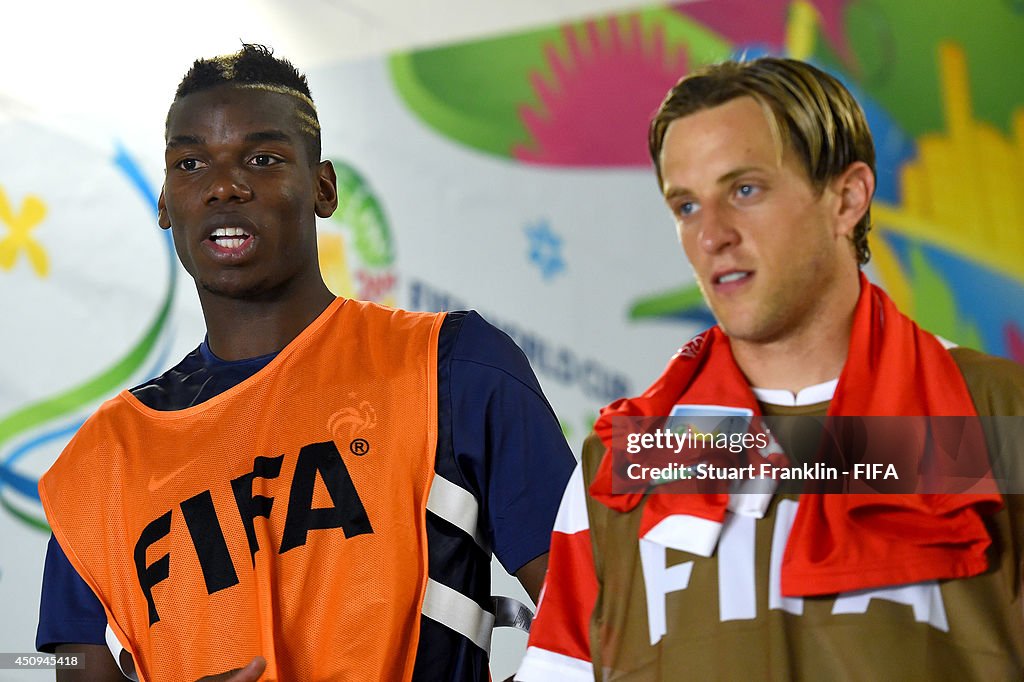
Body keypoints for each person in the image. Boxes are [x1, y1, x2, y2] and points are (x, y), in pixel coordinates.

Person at [35, 44, 575, 681]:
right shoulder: (105, 458)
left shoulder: (453, 367)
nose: (224, 186)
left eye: (262, 159)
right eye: (190, 163)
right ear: (163, 203)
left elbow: (599, 623)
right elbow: (64, 667)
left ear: (323, 187)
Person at [515, 57, 1024, 681]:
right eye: (686, 206)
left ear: (847, 197)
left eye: (745, 190)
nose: (712, 236)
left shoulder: (1002, 421)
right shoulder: (624, 460)